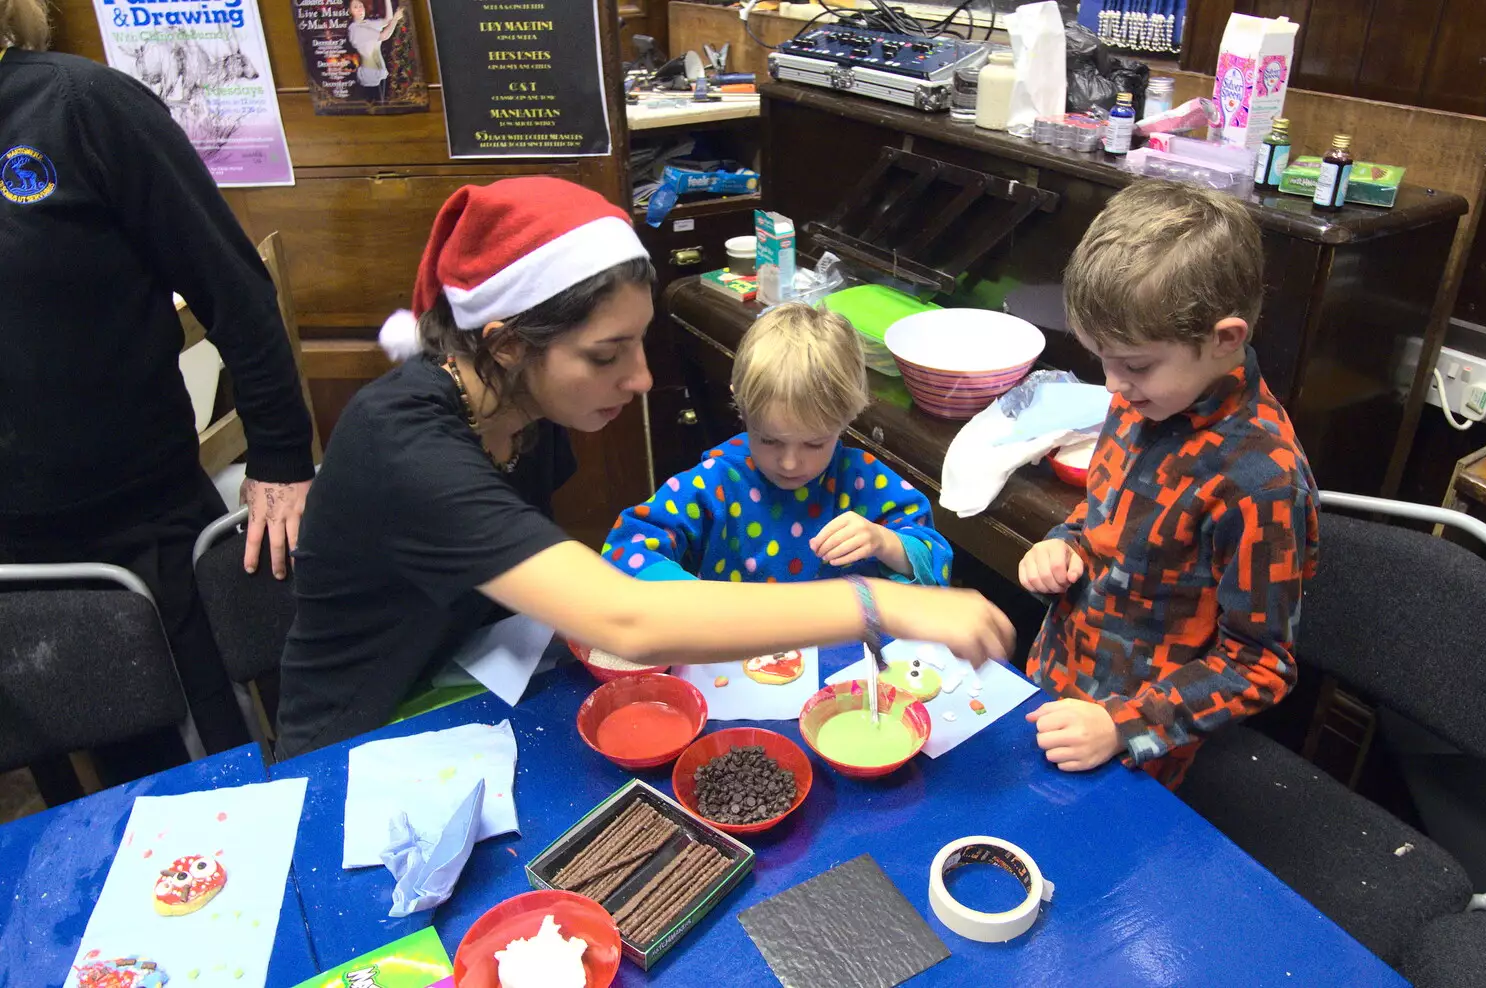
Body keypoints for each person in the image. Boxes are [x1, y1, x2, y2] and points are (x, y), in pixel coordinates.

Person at [276, 177, 1014, 757]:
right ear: (505, 345)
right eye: (606, 354)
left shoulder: (523, 414)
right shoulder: (404, 446)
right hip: (368, 736)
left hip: (485, 690)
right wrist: (877, 602)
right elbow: (625, 615)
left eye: (639, 344)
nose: (641, 379)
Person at [0, 2, 317, 777]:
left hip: (144, 531)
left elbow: (234, 289)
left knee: (218, 770)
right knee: (88, 790)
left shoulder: (79, 105)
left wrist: (280, 457)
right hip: (15, 562)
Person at [1017, 180, 1319, 790]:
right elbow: (1100, 518)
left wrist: (1122, 726)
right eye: (1103, 360)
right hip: (1057, 690)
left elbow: (1259, 664)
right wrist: (1062, 545)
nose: (1112, 385)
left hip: (1141, 754)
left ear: (1224, 339)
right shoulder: (1143, 402)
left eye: (1133, 365)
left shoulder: (1262, 483)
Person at [606, 303, 954, 586]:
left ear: (846, 419)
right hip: (735, 660)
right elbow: (626, 549)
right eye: (769, 439)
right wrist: (694, 600)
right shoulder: (716, 483)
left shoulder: (863, 481)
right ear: (741, 406)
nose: (789, 463)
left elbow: (935, 561)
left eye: (815, 443)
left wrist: (885, 543)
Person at [346, 0, 404, 103]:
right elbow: (384, 36)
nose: (360, 9)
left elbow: (388, 20)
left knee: (384, 106)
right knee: (375, 107)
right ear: (349, 11)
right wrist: (396, 19)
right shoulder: (355, 29)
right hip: (369, 77)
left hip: (381, 74)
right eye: (355, 7)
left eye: (361, 6)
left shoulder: (367, 23)